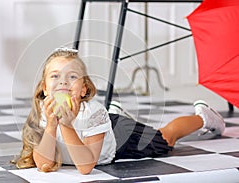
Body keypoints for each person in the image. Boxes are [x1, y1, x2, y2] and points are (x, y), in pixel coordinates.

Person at [14, 47, 225, 175]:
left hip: (120, 136)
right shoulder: (44, 111)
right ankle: (115, 113)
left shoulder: (93, 112)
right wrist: (52, 125)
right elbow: (43, 164)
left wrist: (67, 125)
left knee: (166, 138)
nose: (63, 82)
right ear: (44, 87)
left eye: (72, 77)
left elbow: (86, 167)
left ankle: (204, 116)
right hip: (103, 126)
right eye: (55, 76)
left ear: (84, 88)